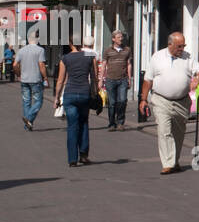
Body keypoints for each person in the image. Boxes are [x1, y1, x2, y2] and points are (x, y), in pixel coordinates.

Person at [138, 32, 199, 174]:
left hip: (182, 101)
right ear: (170, 44)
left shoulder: (187, 57)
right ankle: (168, 163)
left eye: (183, 46)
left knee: (178, 133)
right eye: (179, 46)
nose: (182, 49)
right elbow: (148, 79)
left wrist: (197, 78)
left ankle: (174, 162)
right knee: (164, 131)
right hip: (161, 100)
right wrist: (143, 99)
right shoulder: (157, 57)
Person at [54, 40, 97, 168]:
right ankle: (83, 155)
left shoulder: (65, 58)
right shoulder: (90, 56)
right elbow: (94, 77)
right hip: (84, 93)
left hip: (70, 94)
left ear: (70, 43)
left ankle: (72, 159)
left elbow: (60, 80)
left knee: (72, 126)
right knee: (83, 123)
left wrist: (57, 97)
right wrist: (95, 92)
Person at [16, 37, 48, 129]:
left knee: (26, 102)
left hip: (24, 80)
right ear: (37, 40)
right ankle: (29, 118)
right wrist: (45, 77)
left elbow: (15, 64)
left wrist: (18, 75)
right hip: (36, 80)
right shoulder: (40, 50)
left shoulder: (21, 50)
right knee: (39, 101)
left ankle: (27, 125)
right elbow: (41, 65)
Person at [102, 31, 132, 131]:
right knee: (112, 103)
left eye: (122, 37)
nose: (121, 39)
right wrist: (101, 79)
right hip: (110, 79)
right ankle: (111, 123)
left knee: (122, 101)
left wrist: (129, 78)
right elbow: (104, 65)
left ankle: (120, 122)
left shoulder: (127, 50)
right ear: (113, 39)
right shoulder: (108, 51)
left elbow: (128, 64)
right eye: (118, 37)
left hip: (123, 79)